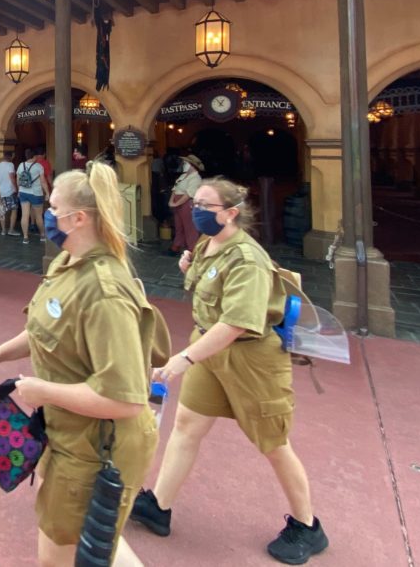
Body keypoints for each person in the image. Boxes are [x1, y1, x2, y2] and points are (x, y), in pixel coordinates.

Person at [0, 162, 162, 566]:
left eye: (53, 208)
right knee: (93, 536)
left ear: (78, 218)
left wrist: (39, 390)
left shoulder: (105, 291)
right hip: (69, 432)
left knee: (60, 547)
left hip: (100, 444)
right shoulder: (66, 263)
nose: (47, 214)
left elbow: (125, 399)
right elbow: (45, 328)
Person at [130, 177, 328, 565]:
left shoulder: (247, 259)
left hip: (251, 360)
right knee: (187, 425)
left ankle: (308, 526)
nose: (197, 211)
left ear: (232, 213)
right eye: (196, 204)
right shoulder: (208, 244)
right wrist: (188, 263)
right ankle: (160, 505)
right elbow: (204, 290)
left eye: (206, 206)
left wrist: (184, 359)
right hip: (211, 350)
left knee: (273, 443)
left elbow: (237, 322)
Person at [168, 154, 203, 254]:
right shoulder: (184, 175)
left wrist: (176, 203)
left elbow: (188, 194)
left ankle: (192, 250)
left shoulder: (196, 178)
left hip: (187, 204)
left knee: (190, 227)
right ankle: (176, 246)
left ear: (192, 165)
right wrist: (171, 201)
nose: (183, 164)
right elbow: (175, 188)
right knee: (179, 226)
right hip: (178, 202)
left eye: (185, 163)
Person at [17, 148, 50, 243]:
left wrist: (19, 190)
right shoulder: (38, 166)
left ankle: (25, 237)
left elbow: (18, 180)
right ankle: (43, 235)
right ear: (34, 156)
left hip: (23, 192)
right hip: (36, 193)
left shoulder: (20, 165)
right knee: (39, 216)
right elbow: (43, 181)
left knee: (25, 215)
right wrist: (47, 193)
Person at [0, 150, 20, 236]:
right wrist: (16, 188)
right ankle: (11, 229)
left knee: (1, 211)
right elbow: (12, 178)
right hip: (9, 191)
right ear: (11, 156)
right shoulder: (10, 165)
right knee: (14, 210)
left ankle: (3, 230)